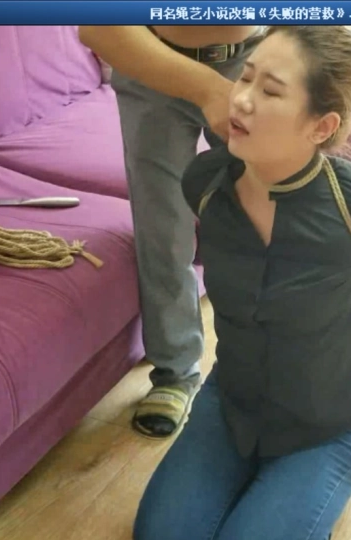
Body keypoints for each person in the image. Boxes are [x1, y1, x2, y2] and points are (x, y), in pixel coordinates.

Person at [129, 26, 351, 540]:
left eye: (270, 91)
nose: (241, 99)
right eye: (244, 77)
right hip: (233, 400)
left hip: (330, 420)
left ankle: (308, 483)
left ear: (321, 127)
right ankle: (262, 484)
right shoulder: (205, 182)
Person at [79, 25, 270, 438]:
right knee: (162, 231)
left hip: (257, 60)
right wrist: (209, 90)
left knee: (265, 225)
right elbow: (99, 26)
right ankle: (175, 372)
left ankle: (268, 369)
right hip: (150, 61)